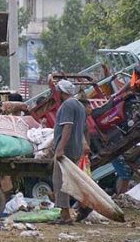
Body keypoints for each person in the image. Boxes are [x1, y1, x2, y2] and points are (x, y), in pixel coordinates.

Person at [52, 79, 90, 224]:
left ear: (62, 92)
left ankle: (65, 215)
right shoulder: (79, 105)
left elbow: (67, 127)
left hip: (66, 149)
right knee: (72, 181)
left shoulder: (67, 105)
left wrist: (60, 148)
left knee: (60, 182)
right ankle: (83, 205)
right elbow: (80, 129)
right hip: (75, 148)